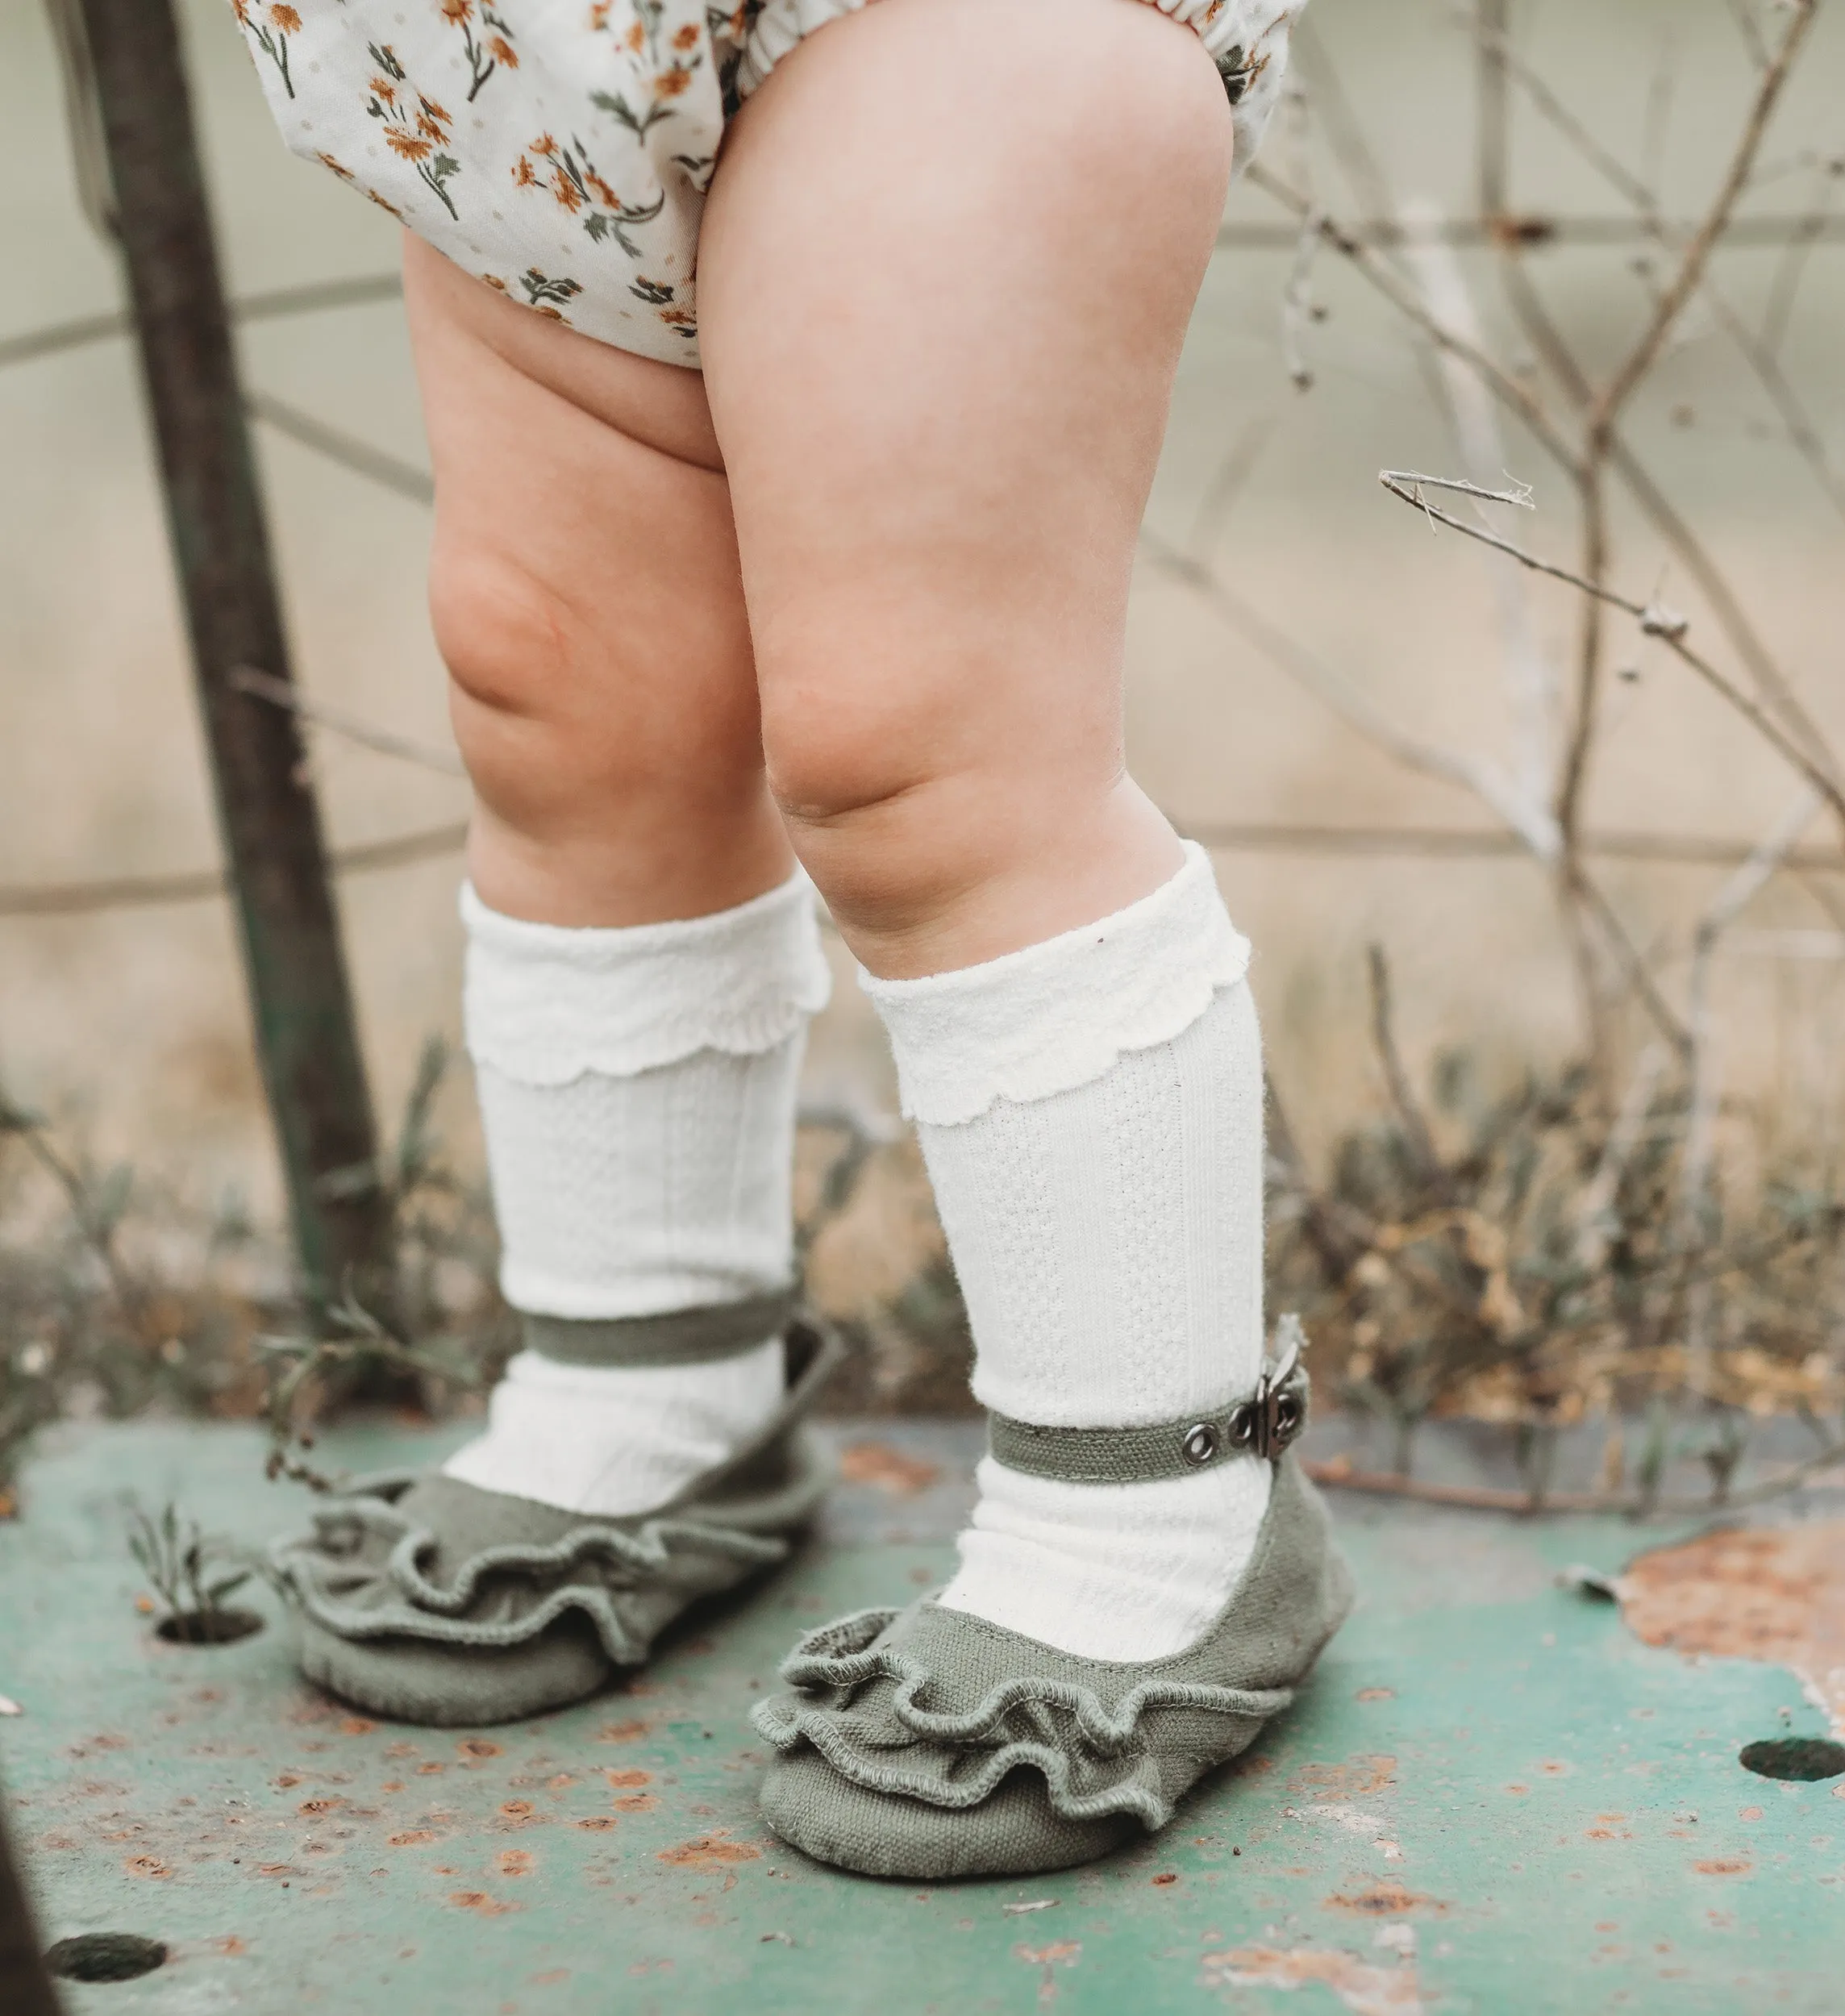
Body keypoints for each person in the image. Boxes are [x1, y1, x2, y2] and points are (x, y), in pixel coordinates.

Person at [235, 0, 1351, 1880]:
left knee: (917, 737)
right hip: (512, 68)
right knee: (562, 694)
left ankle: (1155, 1505)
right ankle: (652, 1373)